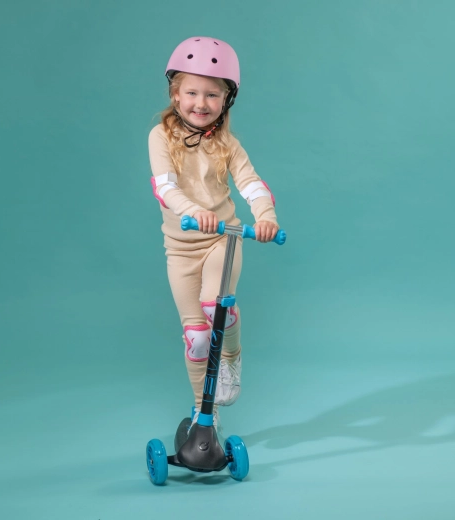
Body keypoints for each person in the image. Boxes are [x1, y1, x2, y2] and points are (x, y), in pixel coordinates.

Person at [148, 36, 280, 435]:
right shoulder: (160, 136)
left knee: (215, 307)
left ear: (226, 100)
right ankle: (204, 413)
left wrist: (266, 216)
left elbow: (252, 184)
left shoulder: (228, 145)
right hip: (180, 250)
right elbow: (165, 187)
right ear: (175, 94)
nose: (200, 103)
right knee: (197, 337)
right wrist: (194, 211)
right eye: (191, 92)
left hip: (223, 239)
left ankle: (232, 357)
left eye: (212, 94)